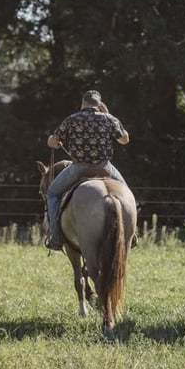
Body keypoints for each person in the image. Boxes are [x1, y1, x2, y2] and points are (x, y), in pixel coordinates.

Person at [45, 89, 130, 250]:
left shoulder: (72, 119)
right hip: (105, 167)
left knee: (52, 193)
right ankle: (132, 235)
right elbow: (124, 139)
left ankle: (55, 237)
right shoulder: (109, 119)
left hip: (78, 168)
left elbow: (52, 143)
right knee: (127, 194)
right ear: (99, 104)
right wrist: (111, 115)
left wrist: (53, 141)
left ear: (83, 103)